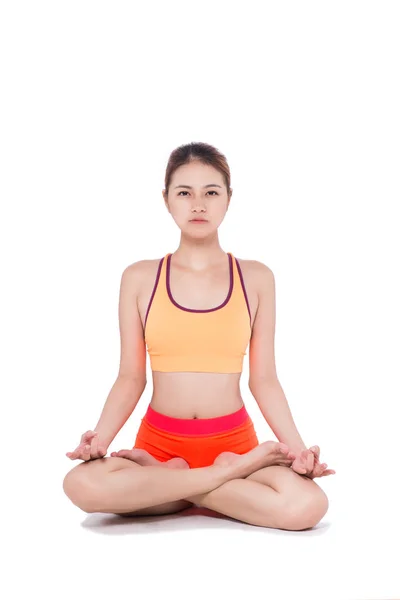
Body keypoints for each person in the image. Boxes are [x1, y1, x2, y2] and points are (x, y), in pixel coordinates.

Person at [63, 142, 335, 530]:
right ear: (166, 200)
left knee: (308, 506)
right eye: (184, 193)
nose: (198, 204)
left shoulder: (257, 278)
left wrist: (299, 450)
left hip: (233, 444)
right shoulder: (139, 278)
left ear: (228, 199)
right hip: (159, 447)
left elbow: (265, 379)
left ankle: (174, 484)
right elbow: (130, 377)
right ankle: (219, 477)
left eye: (211, 192)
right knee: (80, 485)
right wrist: (100, 439)